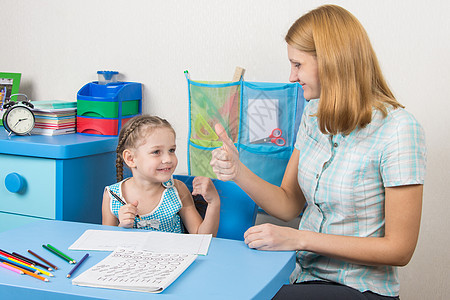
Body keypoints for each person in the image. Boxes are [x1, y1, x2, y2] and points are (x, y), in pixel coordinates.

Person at [210, 4, 426, 300]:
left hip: (360, 288)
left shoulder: (398, 129)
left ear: (331, 61)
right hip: (304, 277)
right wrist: (238, 171)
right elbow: (288, 204)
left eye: (297, 64)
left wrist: (300, 238)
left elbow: (399, 249)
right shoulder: (313, 116)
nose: (290, 76)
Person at [102, 115, 220, 236]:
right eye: (156, 152)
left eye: (171, 150)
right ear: (130, 158)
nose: (168, 159)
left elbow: (202, 238)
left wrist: (214, 203)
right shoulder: (112, 195)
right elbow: (105, 242)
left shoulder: (178, 190)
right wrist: (121, 226)